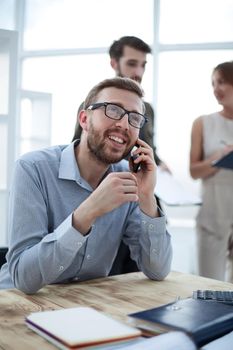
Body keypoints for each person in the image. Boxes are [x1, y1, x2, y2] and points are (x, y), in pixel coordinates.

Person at [0, 77, 172, 293]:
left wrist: (147, 197)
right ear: (84, 119)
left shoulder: (129, 178)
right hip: (17, 305)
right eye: (113, 110)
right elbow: (24, 277)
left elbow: (158, 271)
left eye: (135, 118)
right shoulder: (33, 168)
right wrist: (87, 212)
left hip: (86, 305)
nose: (124, 124)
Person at [72, 36, 170, 275]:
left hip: (137, 189)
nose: (138, 71)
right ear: (114, 63)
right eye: (132, 63)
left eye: (143, 65)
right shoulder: (94, 103)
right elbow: (82, 149)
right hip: (104, 192)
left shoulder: (149, 110)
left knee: (142, 265)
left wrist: (159, 163)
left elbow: (149, 146)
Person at [190, 60, 233, 282]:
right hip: (212, 213)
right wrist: (218, 158)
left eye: (222, 82)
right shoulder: (203, 123)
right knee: (210, 283)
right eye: (213, 83)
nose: (216, 89)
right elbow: (194, 171)